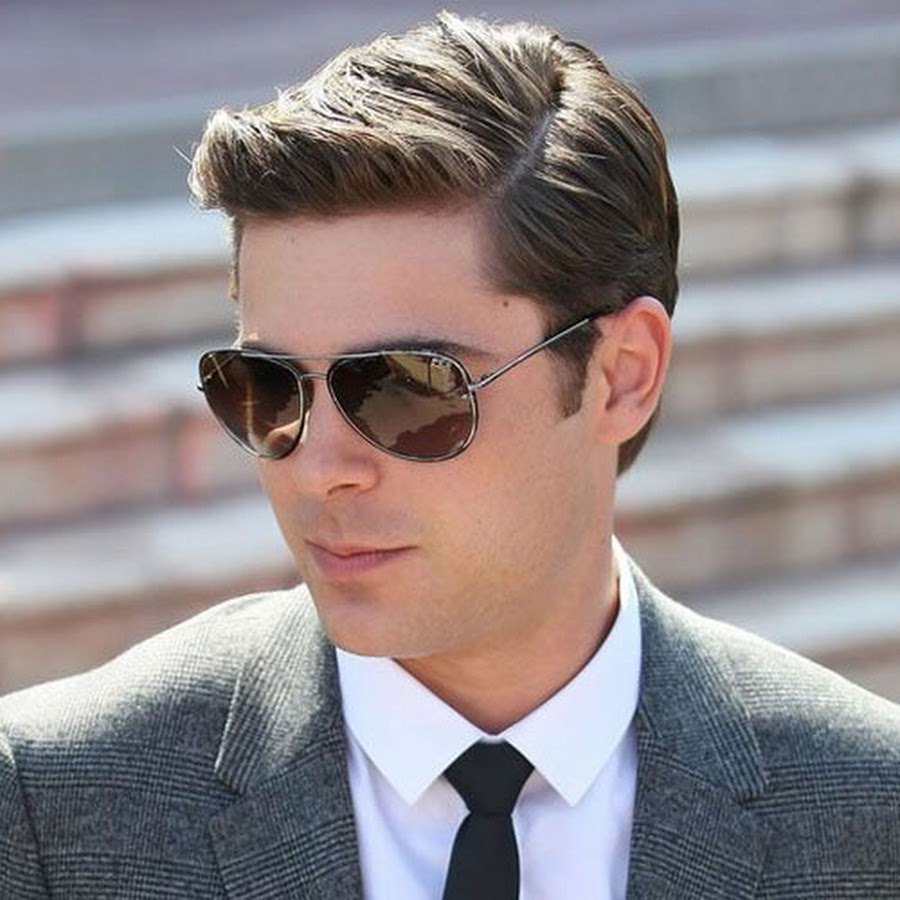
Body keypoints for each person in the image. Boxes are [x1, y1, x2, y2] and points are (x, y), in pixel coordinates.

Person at [2, 12, 899, 899]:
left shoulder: (870, 815)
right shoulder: (52, 807)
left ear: (623, 374)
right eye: (267, 387)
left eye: (405, 389)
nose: (318, 468)